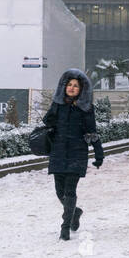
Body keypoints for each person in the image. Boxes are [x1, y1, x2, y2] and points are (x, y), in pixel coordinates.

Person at [41, 69, 104, 240]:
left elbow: (92, 132)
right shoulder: (58, 104)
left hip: (77, 153)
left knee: (70, 191)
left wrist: (99, 155)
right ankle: (75, 212)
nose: (72, 88)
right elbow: (47, 122)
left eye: (76, 85)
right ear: (64, 86)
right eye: (69, 84)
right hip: (59, 152)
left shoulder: (86, 108)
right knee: (59, 192)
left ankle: (65, 227)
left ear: (82, 89)